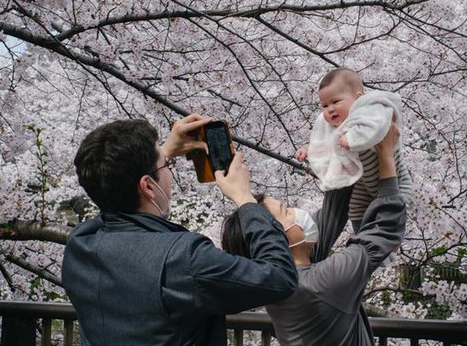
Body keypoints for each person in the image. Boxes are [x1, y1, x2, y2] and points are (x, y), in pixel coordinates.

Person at [61, 115, 298, 346]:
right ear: (147, 186)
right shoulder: (184, 257)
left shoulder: (80, 244)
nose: (170, 171)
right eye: (166, 165)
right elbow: (280, 277)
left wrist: (162, 153)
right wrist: (245, 199)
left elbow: (115, 183)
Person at [224, 124, 407, 345]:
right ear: (276, 239)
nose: (297, 212)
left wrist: (331, 151)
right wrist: (386, 153)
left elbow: (334, 212)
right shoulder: (318, 284)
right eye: (286, 211)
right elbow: (385, 228)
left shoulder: (279, 281)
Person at [296, 67, 413, 233]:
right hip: (364, 181)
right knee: (355, 208)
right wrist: (309, 148)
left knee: (396, 206)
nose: (329, 109)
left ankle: (394, 236)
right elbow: (326, 142)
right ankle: (361, 234)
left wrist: (352, 138)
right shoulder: (335, 125)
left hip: (395, 179)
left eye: (336, 102)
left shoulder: (370, 110)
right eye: (325, 105)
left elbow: (377, 127)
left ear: (358, 98)